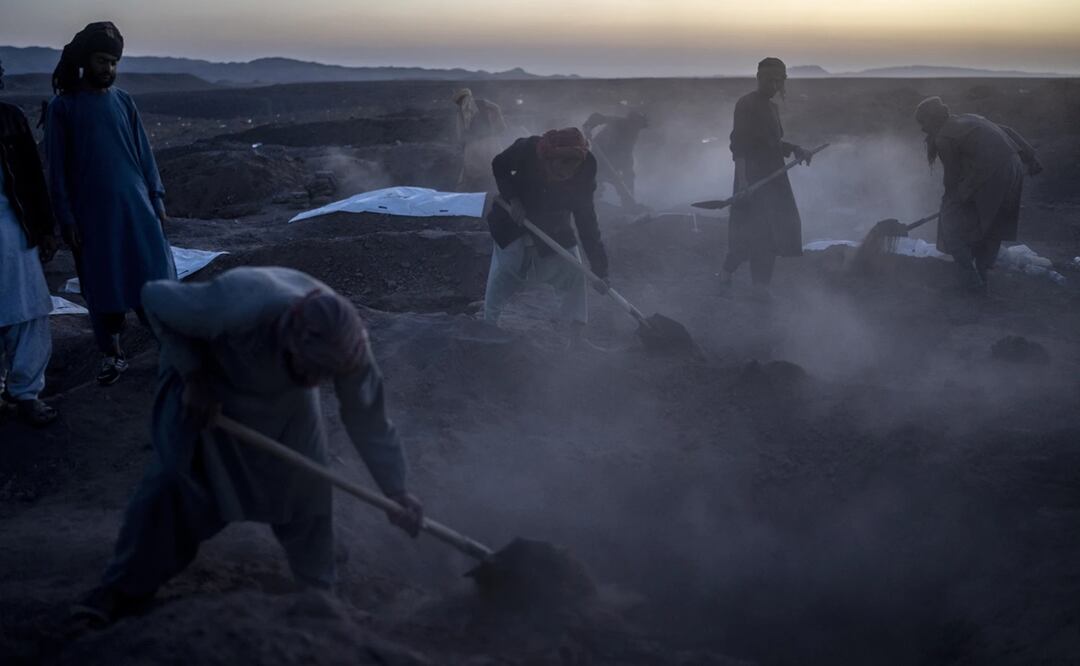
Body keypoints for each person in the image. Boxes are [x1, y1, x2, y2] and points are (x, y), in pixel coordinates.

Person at [72, 266, 424, 624]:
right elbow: (155, 298)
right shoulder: (239, 308)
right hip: (210, 391)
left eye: (326, 376)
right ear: (291, 337)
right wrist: (193, 375)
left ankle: (319, 591)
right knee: (174, 487)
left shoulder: (347, 346)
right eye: (314, 369)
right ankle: (123, 588)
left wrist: (396, 489)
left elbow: (368, 417)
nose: (319, 380)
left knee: (308, 486)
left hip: (289, 402)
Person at [45, 22, 176, 386]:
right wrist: (66, 217)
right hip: (94, 218)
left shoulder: (123, 101)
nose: (109, 69)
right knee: (104, 288)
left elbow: (145, 155)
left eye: (114, 62)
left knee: (153, 281)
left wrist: (157, 197)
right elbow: (57, 170)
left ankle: (170, 351)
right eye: (103, 60)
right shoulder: (63, 107)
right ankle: (112, 355)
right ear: (87, 60)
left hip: (138, 211)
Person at [483, 128, 610, 343]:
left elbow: (586, 217)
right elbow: (499, 164)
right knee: (506, 270)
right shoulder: (527, 149)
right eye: (560, 169)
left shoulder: (587, 166)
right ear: (546, 159)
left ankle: (575, 335)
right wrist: (513, 200)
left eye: (573, 169)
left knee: (574, 272)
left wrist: (600, 270)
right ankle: (488, 326)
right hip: (513, 219)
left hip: (554, 223)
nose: (567, 175)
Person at [914, 96, 1042, 294]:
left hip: (991, 173)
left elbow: (952, 177)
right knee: (992, 224)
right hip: (1013, 168)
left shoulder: (944, 137)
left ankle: (970, 278)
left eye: (923, 122)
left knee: (950, 224)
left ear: (933, 119)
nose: (922, 129)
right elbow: (1007, 131)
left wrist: (949, 203)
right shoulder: (970, 118)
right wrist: (1030, 157)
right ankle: (982, 276)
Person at [0, 58, 60, 426]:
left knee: (28, 311)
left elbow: (32, 178)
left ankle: (25, 393)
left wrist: (45, 228)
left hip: (12, 227)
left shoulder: (10, 118)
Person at [722, 57, 814, 292]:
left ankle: (760, 287)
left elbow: (772, 144)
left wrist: (795, 149)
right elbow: (739, 146)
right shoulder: (746, 104)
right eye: (770, 80)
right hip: (752, 179)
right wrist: (743, 182)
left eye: (778, 81)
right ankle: (725, 273)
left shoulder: (772, 108)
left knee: (773, 232)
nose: (774, 86)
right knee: (749, 232)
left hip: (775, 179)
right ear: (759, 79)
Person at [582, 111, 649, 209]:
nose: (636, 127)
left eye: (638, 125)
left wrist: (627, 169)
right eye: (635, 124)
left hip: (619, 159)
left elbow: (627, 152)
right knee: (595, 178)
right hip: (601, 154)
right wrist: (588, 127)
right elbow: (597, 117)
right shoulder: (618, 122)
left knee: (628, 178)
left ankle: (629, 204)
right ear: (630, 121)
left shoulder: (634, 132)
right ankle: (591, 204)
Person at [452, 88, 509, 191]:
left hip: (474, 146)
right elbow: (496, 108)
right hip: (491, 142)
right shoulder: (483, 103)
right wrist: (499, 127)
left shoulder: (460, 111)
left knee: (471, 174)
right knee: (493, 168)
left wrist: (463, 146)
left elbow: (461, 134)